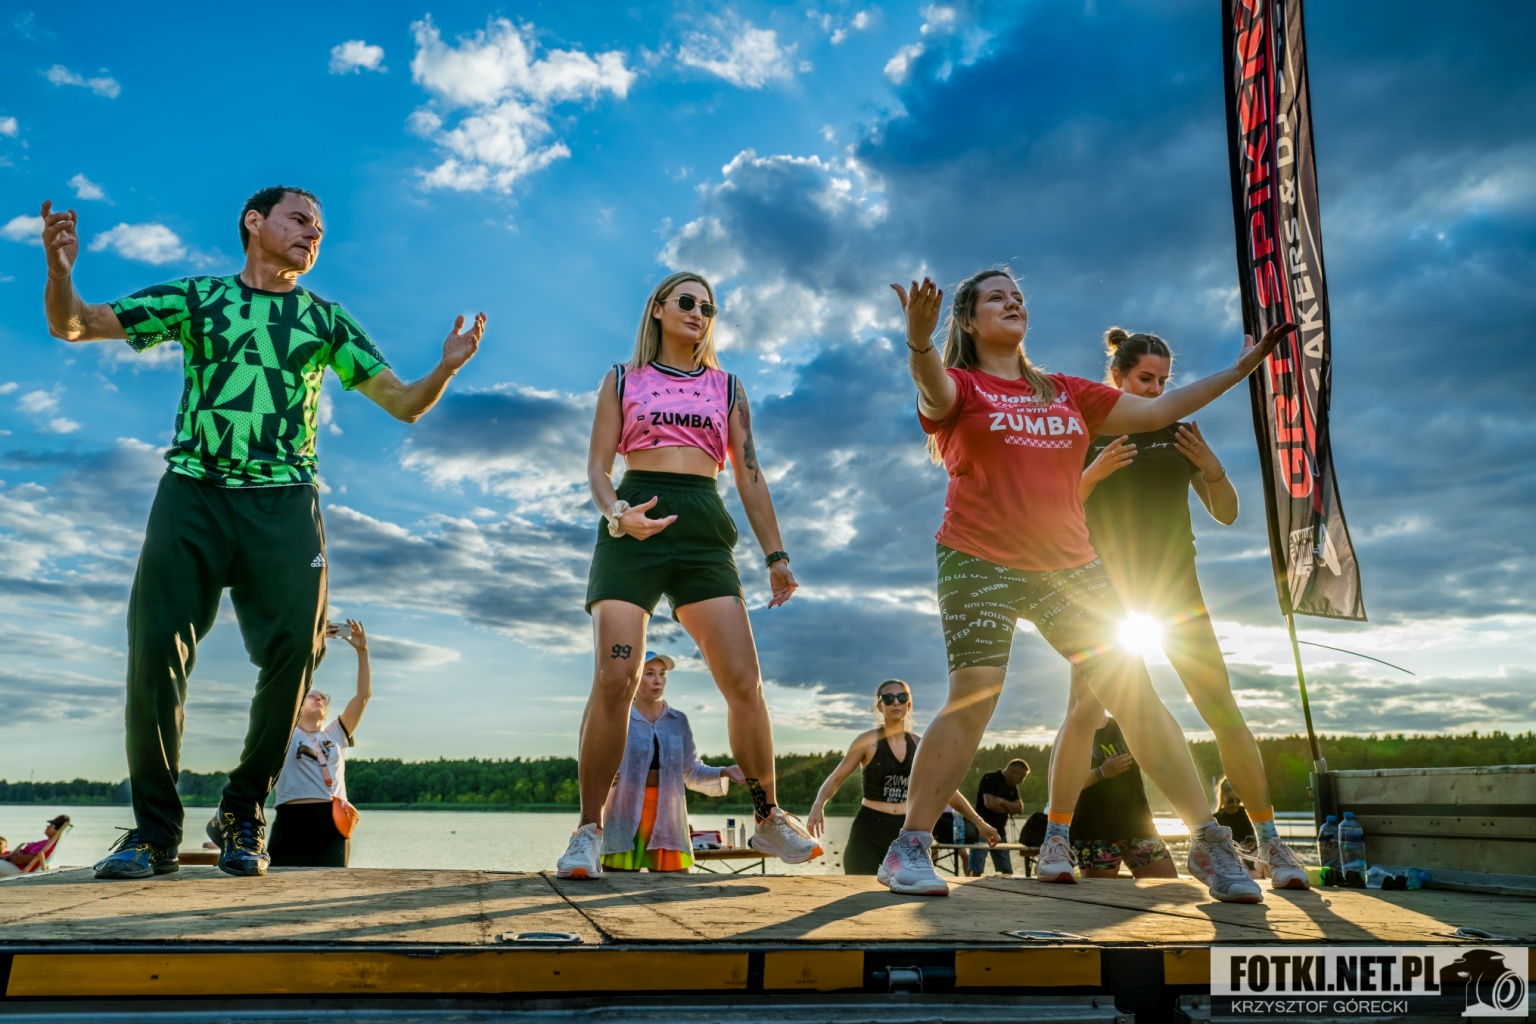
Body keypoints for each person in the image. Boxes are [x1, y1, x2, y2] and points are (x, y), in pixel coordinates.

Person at [40, 189, 486, 880]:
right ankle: (155, 832)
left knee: (295, 653)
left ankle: (242, 812)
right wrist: (61, 271)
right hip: (193, 492)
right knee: (154, 649)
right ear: (255, 222)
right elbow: (74, 327)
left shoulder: (325, 321)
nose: (313, 234)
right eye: (300, 219)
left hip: (283, 503)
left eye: (320, 228)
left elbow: (401, 404)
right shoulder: (198, 298)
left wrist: (446, 368)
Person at [879, 268, 1293, 901]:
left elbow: (1159, 409)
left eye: (1018, 295)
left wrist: (1242, 369)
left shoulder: (1068, 392)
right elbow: (932, 389)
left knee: (1133, 694)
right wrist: (917, 342)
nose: (1013, 301)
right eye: (996, 296)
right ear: (967, 320)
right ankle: (909, 847)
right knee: (977, 693)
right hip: (979, 557)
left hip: (1069, 566)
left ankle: (1209, 843)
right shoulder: (961, 385)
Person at [558, 271, 817, 879]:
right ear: (658, 309)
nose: (700, 312)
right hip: (634, 523)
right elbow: (598, 468)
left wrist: (776, 556)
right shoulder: (622, 379)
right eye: (687, 302)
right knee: (616, 677)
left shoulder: (728, 387)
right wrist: (618, 515)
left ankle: (768, 818)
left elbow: (749, 475)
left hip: (703, 527)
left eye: (709, 306)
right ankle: (588, 832)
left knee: (743, 681)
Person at [1079, 328, 1308, 888]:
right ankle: (1062, 839)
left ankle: (1272, 846)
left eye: (1163, 380)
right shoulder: (1086, 434)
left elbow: (1226, 513)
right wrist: (1095, 472)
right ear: (1118, 378)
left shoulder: (1181, 432)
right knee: (1095, 718)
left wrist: (1212, 468)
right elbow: (1057, 515)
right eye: (1144, 380)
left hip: (1177, 595)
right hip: (1108, 604)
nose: (1155, 390)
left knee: (1223, 711)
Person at [805, 679, 1000, 875]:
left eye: (901, 697)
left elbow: (945, 789)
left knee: (903, 897)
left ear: (909, 704)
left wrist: (978, 821)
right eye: (888, 698)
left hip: (904, 832)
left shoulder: (919, 745)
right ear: (879, 706)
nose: (895, 702)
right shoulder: (867, 742)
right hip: (868, 831)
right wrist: (818, 803)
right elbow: (836, 778)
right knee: (857, 893)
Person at [601, 652, 744, 872]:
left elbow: (692, 770)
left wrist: (725, 771)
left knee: (674, 887)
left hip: (667, 816)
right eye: (650, 674)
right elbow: (599, 763)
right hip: (624, 814)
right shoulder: (619, 718)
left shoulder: (678, 721)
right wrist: (603, 778)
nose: (658, 680)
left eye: (662, 674)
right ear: (635, 677)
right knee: (617, 886)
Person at [268, 619, 371, 867]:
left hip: (332, 821)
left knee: (331, 884)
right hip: (291, 820)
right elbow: (288, 683)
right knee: (277, 888)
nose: (318, 698)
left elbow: (363, 695)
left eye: (322, 697)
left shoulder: (335, 734)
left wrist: (362, 651)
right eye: (311, 695)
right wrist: (313, 646)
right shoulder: (287, 733)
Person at [1070, 713, 1178, 879]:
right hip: (1095, 832)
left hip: (1139, 826)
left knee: (1169, 887)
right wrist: (1101, 772)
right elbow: (1066, 782)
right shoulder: (1074, 730)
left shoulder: (1123, 727)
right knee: (1102, 899)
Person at [970, 758, 1029, 876]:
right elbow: (990, 804)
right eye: (1021, 777)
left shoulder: (1012, 786)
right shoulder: (990, 778)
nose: (1021, 781)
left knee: (1007, 871)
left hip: (1000, 833)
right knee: (977, 869)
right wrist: (1008, 806)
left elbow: (1019, 808)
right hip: (982, 831)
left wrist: (1001, 802)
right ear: (1013, 772)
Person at [0, 815, 71, 876]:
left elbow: (25, 860)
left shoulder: (46, 845)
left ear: (57, 830)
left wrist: (8, 858)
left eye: (51, 825)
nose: (47, 826)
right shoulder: (47, 843)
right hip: (17, 865)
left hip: (20, 869)